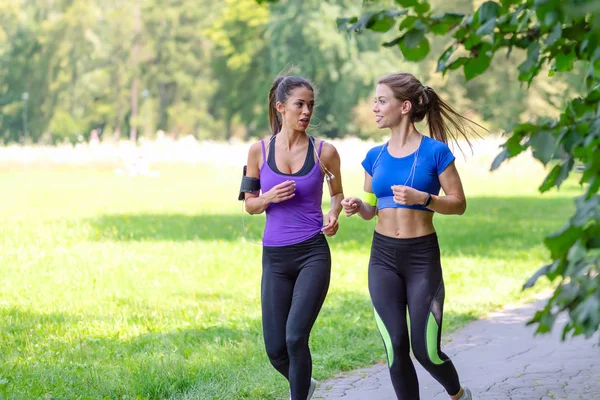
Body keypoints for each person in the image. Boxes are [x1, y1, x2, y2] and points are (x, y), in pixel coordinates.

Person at [341, 73, 483, 400]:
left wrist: (425, 199)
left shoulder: (435, 153)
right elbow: (372, 209)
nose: (374, 107)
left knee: (426, 350)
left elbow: (459, 204)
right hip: (383, 258)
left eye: (381, 100)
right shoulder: (373, 157)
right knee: (395, 348)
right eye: (374, 100)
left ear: (404, 106)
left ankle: (458, 393)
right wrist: (358, 205)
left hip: (421, 258)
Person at [239, 75, 344, 400]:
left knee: (296, 337)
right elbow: (250, 205)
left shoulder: (324, 153)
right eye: (300, 104)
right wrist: (268, 197)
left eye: (310, 105)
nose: (306, 111)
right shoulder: (258, 151)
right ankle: (305, 384)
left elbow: (337, 193)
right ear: (280, 107)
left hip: (312, 252)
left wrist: (333, 214)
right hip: (275, 258)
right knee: (275, 349)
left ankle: (299, 393)